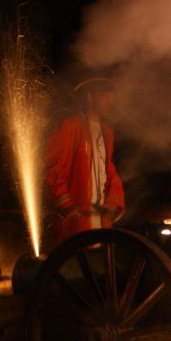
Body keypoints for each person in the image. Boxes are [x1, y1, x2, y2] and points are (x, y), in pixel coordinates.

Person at [44, 77, 125, 249]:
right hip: (76, 221)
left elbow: (108, 170)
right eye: (104, 96)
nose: (109, 102)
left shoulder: (107, 133)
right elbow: (53, 166)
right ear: (90, 97)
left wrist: (113, 203)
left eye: (110, 97)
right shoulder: (70, 127)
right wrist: (67, 205)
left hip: (100, 219)